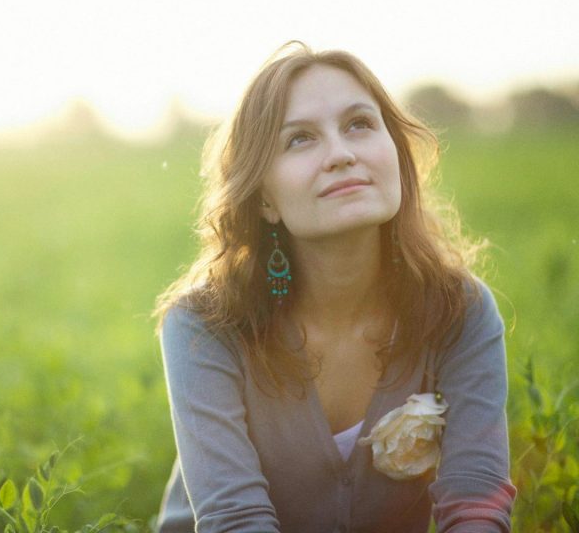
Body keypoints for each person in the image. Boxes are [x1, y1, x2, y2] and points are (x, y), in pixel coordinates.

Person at [154, 42, 516, 533]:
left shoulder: (461, 311)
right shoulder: (204, 326)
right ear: (264, 200)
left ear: (396, 154)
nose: (341, 155)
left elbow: (477, 505)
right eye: (300, 139)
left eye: (359, 125)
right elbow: (235, 521)